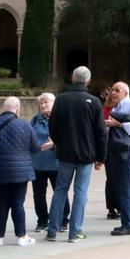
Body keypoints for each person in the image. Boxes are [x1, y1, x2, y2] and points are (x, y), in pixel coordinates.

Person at [47, 66, 106, 242]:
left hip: (65, 152)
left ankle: (52, 229)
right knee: (80, 192)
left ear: (73, 79)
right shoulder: (94, 102)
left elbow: (53, 126)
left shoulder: (61, 100)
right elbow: (101, 132)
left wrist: (58, 142)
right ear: (88, 81)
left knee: (60, 190)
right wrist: (100, 157)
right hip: (86, 154)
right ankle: (75, 231)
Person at [0, 97, 39, 246]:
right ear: (18, 109)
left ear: (3, 109)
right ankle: (22, 236)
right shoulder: (25, 125)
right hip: (20, 172)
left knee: (1, 203)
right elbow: (35, 148)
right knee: (18, 203)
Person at [106, 81, 130, 236]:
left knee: (124, 188)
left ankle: (129, 224)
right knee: (120, 187)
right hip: (118, 151)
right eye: (112, 90)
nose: (113, 93)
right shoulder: (117, 107)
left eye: (117, 90)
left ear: (126, 93)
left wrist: (118, 124)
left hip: (128, 152)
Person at [30, 93, 67, 232]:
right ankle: (42, 220)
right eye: (41, 103)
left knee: (60, 192)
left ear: (54, 102)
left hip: (57, 163)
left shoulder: (61, 119)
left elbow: (69, 139)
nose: (43, 105)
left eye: (46, 102)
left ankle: (63, 220)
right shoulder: (35, 120)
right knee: (39, 195)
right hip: (38, 164)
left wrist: (55, 144)